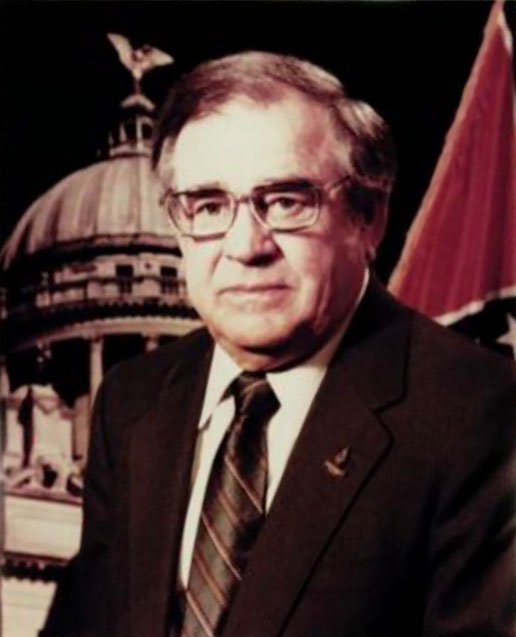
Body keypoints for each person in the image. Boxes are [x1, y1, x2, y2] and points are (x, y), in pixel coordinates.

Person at [43, 51, 515, 637]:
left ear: (368, 218)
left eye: (286, 201)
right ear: (178, 226)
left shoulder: (482, 413)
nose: (245, 245)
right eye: (209, 206)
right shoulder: (132, 402)